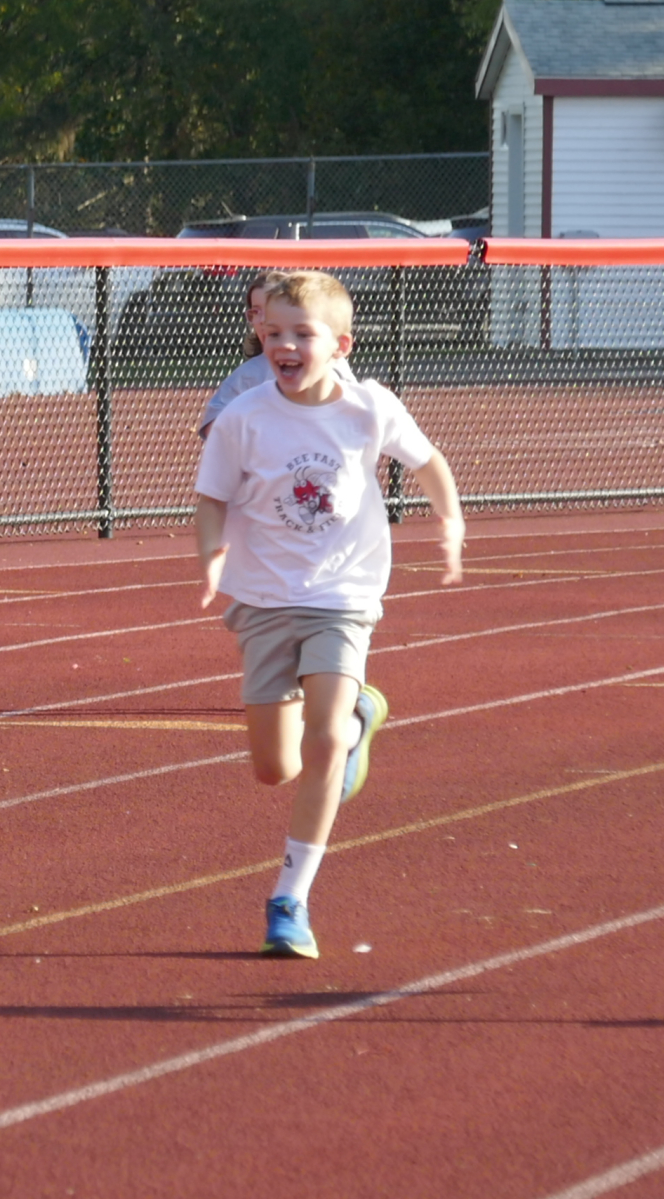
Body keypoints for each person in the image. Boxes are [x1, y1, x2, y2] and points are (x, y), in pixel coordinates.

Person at [194, 271, 463, 958]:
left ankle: (291, 900)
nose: (284, 344)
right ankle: (359, 717)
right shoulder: (243, 417)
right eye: (273, 332)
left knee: (320, 748)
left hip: (343, 598)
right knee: (272, 767)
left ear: (339, 344)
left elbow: (428, 462)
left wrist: (450, 519)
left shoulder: (369, 408)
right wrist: (212, 556)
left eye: (301, 334)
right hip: (262, 601)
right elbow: (212, 497)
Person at [198, 269, 355, 440]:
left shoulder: (333, 364)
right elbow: (215, 430)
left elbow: (357, 417)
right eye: (255, 312)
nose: (263, 320)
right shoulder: (248, 376)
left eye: (270, 309)